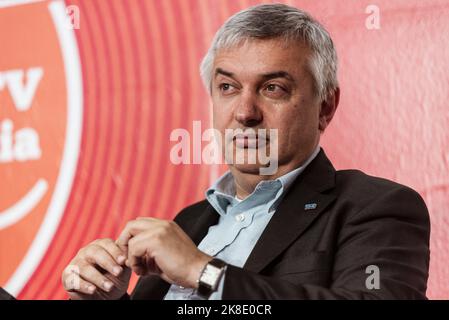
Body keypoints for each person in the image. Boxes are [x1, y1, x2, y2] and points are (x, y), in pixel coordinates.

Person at [62, 3, 430, 300]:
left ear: (325, 107)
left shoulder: (377, 209)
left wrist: (202, 271)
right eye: (227, 87)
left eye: (272, 88)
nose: (244, 112)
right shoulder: (188, 223)